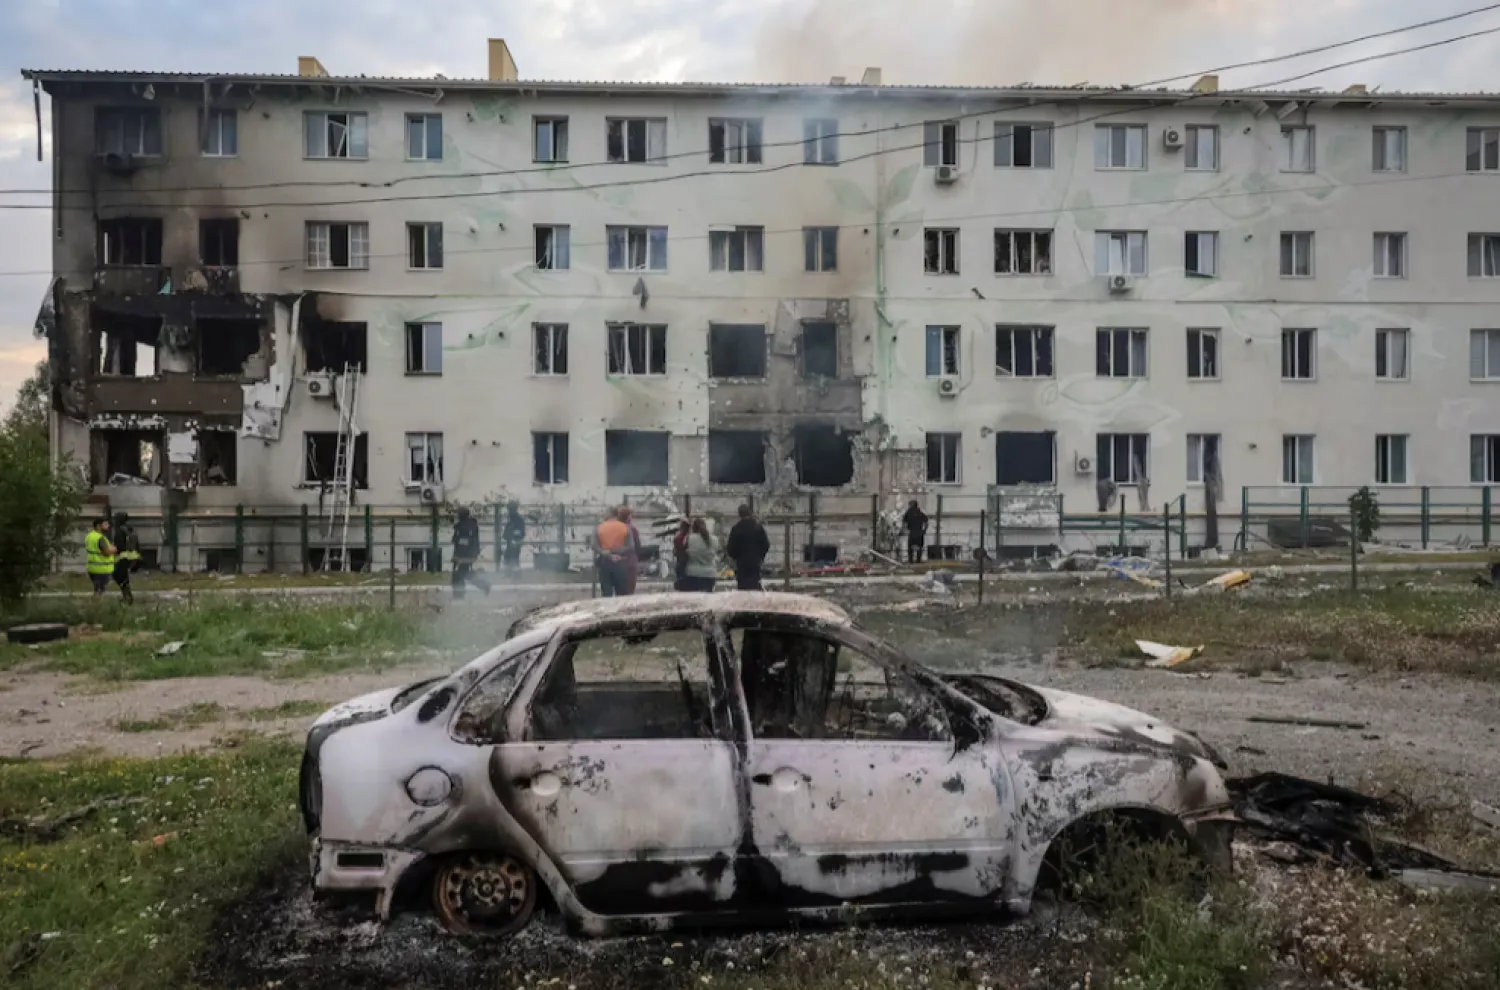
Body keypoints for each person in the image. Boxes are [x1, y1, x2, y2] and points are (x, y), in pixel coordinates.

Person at [725, 504, 770, 591]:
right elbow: (766, 545)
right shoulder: (758, 528)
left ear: (739, 515)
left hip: (742, 563)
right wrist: (760, 556)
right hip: (755, 561)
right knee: (754, 586)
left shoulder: (736, 528)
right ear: (750, 513)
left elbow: (730, 549)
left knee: (743, 588)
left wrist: (736, 557)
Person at [450, 506, 491, 598]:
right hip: (462, 553)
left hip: (467, 554)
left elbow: (467, 542)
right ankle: (460, 593)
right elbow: (457, 540)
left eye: (458, 514)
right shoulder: (461, 525)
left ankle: (482, 585)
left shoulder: (469, 525)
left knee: (461, 573)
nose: (457, 516)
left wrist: (460, 555)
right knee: (461, 573)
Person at [84, 517, 124, 601]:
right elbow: (107, 552)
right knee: (99, 592)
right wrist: (114, 549)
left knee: (97, 590)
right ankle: (96, 608)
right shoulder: (100, 538)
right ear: (98, 526)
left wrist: (110, 548)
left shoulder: (90, 536)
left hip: (92, 568)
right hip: (101, 569)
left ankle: (95, 607)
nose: (108, 526)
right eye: (105, 524)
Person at [594, 509, 631, 598]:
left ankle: (607, 609)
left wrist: (605, 553)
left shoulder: (599, 527)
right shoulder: (625, 527)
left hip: (605, 560)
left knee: (606, 591)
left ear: (609, 514)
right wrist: (619, 552)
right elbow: (630, 545)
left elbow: (594, 545)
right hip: (620, 561)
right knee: (622, 592)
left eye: (605, 513)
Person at [681, 518, 720, 592]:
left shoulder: (689, 538)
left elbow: (684, 553)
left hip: (693, 573)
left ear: (693, 528)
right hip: (710, 574)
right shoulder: (715, 539)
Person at [111, 512, 140, 604]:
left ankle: (127, 597)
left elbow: (119, 546)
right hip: (132, 556)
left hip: (123, 557)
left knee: (118, 576)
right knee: (123, 577)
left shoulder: (120, 531)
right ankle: (127, 597)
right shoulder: (129, 529)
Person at [618, 506, 643, 595]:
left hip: (617, 561)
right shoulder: (632, 530)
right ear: (628, 517)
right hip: (630, 561)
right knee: (630, 590)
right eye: (630, 515)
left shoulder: (615, 528)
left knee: (619, 590)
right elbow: (637, 546)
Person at [902, 500, 929, 564]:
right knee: (919, 547)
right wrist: (924, 530)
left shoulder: (908, 512)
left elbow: (904, 522)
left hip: (912, 532)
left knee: (910, 548)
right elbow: (926, 522)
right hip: (919, 532)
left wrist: (905, 529)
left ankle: (911, 561)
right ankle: (918, 560)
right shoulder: (920, 512)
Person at [502, 502, 526, 571]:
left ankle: (516, 575)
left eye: (510, 509)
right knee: (508, 557)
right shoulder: (511, 518)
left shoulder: (518, 519)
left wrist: (513, 537)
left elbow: (520, 532)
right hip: (511, 541)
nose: (509, 511)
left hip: (515, 541)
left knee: (514, 558)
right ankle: (510, 573)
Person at [671, 518, 691, 591]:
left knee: (681, 577)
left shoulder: (684, 536)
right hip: (682, 560)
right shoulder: (685, 536)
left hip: (682, 560)